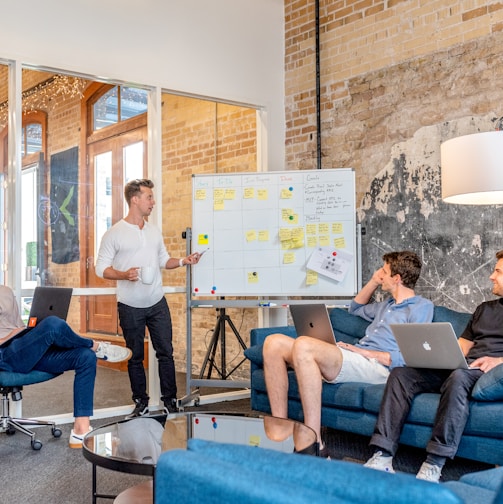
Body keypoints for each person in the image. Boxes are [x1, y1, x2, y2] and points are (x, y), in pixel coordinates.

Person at [263, 250, 434, 458]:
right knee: (273, 343)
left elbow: (411, 355)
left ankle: (314, 441)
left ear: (396, 279)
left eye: (384, 271)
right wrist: (372, 281)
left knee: (304, 345)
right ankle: (280, 425)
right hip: (357, 358)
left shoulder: (421, 307)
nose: (379, 273)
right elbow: (355, 308)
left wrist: (364, 352)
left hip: (379, 368)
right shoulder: (385, 306)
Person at [364, 250, 503, 482]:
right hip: (463, 367)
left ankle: (434, 463)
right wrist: (439, 356)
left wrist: (499, 361)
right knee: (401, 374)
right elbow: (461, 347)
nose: (491, 276)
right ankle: (383, 455)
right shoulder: (484, 309)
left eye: (497, 271)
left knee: (458, 377)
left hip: (488, 372)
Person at [95, 178, 201, 419]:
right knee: (135, 355)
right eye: (149, 197)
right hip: (130, 305)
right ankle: (140, 402)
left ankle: (169, 401)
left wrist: (184, 261)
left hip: (157, 302)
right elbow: (100, 268)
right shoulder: (115, 233)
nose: (153, 202)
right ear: (135, 199)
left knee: (165, 352)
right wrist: (124, 274)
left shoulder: (153, 232)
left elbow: (164, 260)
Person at [0, 285, 130, 448]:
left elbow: (16, 326)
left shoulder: (5, 291)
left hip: (23, 347)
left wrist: (28, 331)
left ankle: (80, 431)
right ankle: (95, 346)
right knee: (53, 325)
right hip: (5, 355)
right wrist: (12, 335)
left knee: (85, 357)